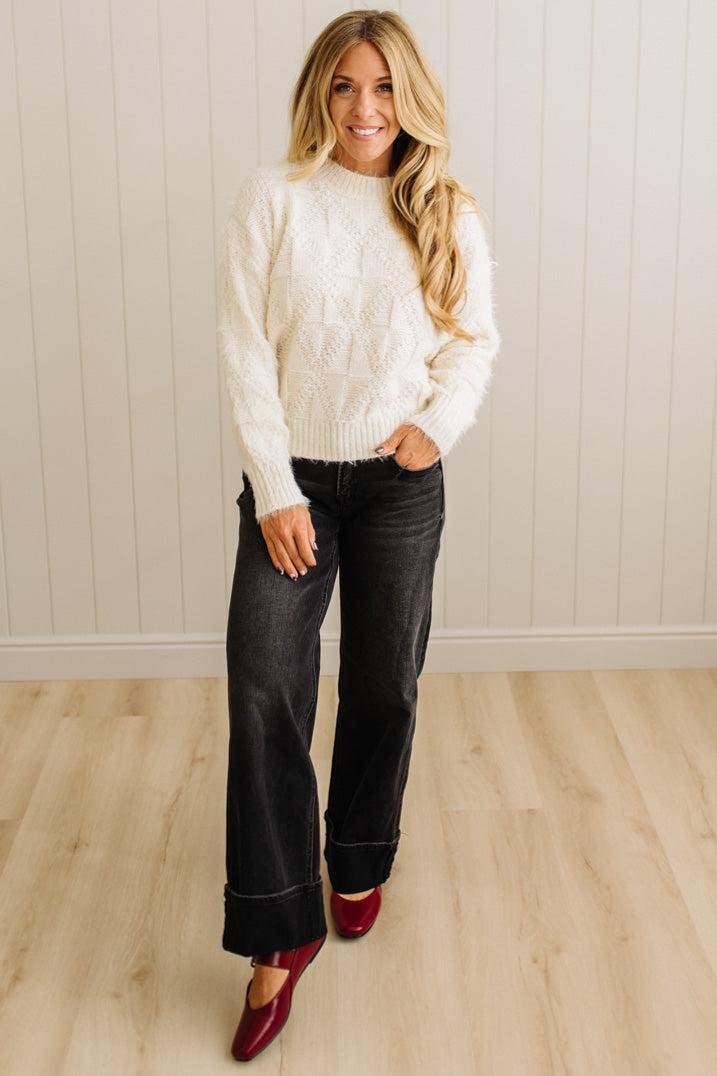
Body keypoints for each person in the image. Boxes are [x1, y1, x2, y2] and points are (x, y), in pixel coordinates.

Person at [217, 8, 501, 1063]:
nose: (364, 108)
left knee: (385, 684)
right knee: (265, 687)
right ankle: (277, 933)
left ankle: (359, 854)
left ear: (409, 97)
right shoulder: (274, 198)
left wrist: (435, 426)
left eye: (383, 87)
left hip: (398, 489)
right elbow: (244, 349)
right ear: (318, 95)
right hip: (290, 482)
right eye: (343, 85)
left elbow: (473, 343)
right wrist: (275, 487)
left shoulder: (444, 208)